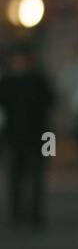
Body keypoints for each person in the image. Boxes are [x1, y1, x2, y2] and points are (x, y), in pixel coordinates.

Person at [0, 46, 56, 228]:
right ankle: (16, 215)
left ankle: (35, 215)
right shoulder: (8, 81)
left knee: (37, 177)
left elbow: (50, 105)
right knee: (15, 178)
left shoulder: (39, 79)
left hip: (39, 137)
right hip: (15, 138)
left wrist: (50, 143)